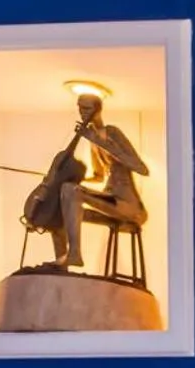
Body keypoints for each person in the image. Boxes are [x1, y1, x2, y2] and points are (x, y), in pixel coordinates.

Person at [49, 91, 148, 270]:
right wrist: (66, 177)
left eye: (86, 108)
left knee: (71, 191)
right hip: (109, 199)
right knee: (59, 209)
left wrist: (97, 140)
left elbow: (141, 168)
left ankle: (75, 253)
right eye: (79, 108)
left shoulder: (111, 132)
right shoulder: (93, 139)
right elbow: (99, 175)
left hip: (127, 205)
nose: (82, 112)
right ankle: (63, 263)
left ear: (97, 109)